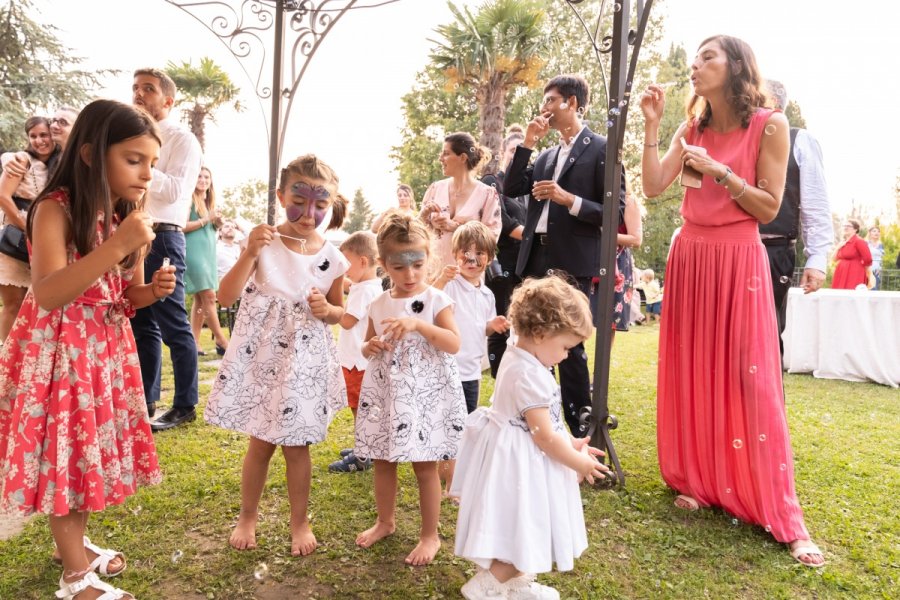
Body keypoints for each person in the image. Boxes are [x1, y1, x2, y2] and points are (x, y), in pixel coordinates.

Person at [640, 34, 825, 566]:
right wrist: (655, 127)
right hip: (691, 256)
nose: (695, 65)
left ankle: (783, 515)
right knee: (694, 370)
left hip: (738, 259)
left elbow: (768, 208)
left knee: (751, 380)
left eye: (707, 57)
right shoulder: (691, 126)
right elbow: (654, 187)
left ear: (737, 66)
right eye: (695, 58)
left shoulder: (770, 124)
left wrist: (721, 172)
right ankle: (699, 480)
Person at [0, 99, 174, 600]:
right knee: (68, 455)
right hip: (62, 351)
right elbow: (50, 292)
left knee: (86, 452)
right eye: (134, 159)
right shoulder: (54, 207)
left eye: (152, 164)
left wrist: (152, 289)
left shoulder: (124, 215)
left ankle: (70, 546)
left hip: (102, 349)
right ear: (93, 155)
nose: (146, 175)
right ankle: (74, 577)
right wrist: (117, 246)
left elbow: (125, 296)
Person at [204, 154, 349, 556]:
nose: (309, 212)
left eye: (321, 204)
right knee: (261, 443)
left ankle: (299, 522)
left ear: (331, 204)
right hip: (264, 360)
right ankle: (247, 516)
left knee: (297, 446)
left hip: (303, 365)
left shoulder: (333, 258)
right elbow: (226, 296)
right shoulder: (264, 242)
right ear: (281, 194)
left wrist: (329, 312)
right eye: (299, 200)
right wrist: (250, 251)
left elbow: (343, 313)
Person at [452, 275, 609, 600]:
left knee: (518, 523)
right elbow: (544, 438)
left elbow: (547, 424)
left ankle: (514, 582)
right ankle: (487, 587)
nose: (566, 356)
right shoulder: (528, 375)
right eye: (565, 346)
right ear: (540, 334)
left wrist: (572, 442)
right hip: (522, 465)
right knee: (525, 524)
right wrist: (577, 460)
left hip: (515, 454)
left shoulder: (520, 351)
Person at [504, 73, 625, 435]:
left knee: (568, 343)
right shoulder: (545, 156)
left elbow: (614, 211)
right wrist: (527, 142)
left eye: (552, 100)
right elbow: (510, 187)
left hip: (571, 261)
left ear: (572, 104)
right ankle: (539, 417)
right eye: (544, 101)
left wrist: (566, 199)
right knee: (532, 337)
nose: (545, 108)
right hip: (535, 258)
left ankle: (579, 426)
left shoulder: (602, 148)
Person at [353, 212, 466, 566]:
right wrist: (368, 347)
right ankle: (385, 521)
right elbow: (367, 343)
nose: (410, 274)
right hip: (388, 395)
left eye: (417, 264)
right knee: (383, 460)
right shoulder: (378, 303)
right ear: (384, 264)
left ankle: (429, 535)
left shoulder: (436, 300)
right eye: (400, 267)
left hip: (424, 397)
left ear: (427, 259)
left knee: (423, 465)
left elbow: (453, 343)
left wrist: (418, 324)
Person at [129, 67, 203, 428]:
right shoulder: (131, 135)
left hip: (164, 235)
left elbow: (176, 191)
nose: (138, 94)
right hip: (133, 234)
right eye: (135, 88)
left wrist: (136, 164)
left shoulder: (183, 139)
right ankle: (144, 401)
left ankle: (186, 404)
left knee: (173, 323)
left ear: (168, 101)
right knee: (141, 321)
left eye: (148, 89)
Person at [433, 221, 510, 498]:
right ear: (456, 255)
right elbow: (428, 300)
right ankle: (449, 484)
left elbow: (482, 327)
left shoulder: (487, 294)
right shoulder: (450, 286)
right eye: (466, 252)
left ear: (489, 258)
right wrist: (441, 279)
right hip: (447, 368)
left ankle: (456, 480)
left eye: (480, 253)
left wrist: (494, 324)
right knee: (449, 425)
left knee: (465, 426)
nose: (472, 259)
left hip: (471, 371)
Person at [761, 81, 832, 350]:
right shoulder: (737, 137)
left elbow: (816, 202)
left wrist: (816, 258)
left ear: (774, 105)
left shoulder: (800, 139)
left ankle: (768, 393)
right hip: (732, 245)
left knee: (765, 334)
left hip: (773, 250)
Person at [0, 116, 60, 340]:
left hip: (40, 244)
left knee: (32, 305)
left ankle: (21, 358)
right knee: (13, 304)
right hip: (16, 239)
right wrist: (28, 228)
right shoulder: (21, 159)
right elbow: (3, 196)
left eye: (43, 135)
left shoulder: (56, 164)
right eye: (33, 136)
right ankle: (5, 359)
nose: (38, 140)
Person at [330, 230, 383, 473]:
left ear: (362, 262)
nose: (344, 269)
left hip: (356, 362)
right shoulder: (371, 285)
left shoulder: (363, 291)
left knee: (359, 410)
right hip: (362, 360)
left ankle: (363, 455)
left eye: (346, 263)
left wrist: (331, 301)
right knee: (363, 408)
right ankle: (365, 447)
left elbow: (347, 321)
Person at [419, 132, 501, 280]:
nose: (440, 158)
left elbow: (491, 238)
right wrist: (424, 218)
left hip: (468, 277)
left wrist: (456, 227)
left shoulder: (487, 194)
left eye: (446, 153)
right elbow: (416, 234)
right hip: (434, 276)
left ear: (462, 157)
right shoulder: (434, 189)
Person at [482, 125, 527, 377]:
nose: (517, 156)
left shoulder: (525, 190)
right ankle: (499, 378)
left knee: (521, 325)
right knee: (502, 324)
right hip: (501, 265)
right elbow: (505, 223)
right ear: (502, 152)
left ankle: (517, 376)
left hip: (525, 264)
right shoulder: (492, 182)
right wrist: (538, 236)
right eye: (513, 150)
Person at [185, 166, 229, 356]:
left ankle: (194, 342)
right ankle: (221, 340)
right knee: (210, 296)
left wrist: (217, 222)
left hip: (208, 251)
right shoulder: (188, 199)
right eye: (199, 176)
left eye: (206, 177)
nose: (203, 180)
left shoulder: (210, 202)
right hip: (193, 252)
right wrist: (206, 219)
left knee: (201, 298)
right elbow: (181, 226)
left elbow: (212, 227)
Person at [610, 186, 643, 341]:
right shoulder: (591, 198)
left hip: (617, 265)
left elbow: (636, 240)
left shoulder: (628, 201)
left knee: (609, 321)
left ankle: (602, 363)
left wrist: (602, 234)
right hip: (588, 258)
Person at [831, 219, 872, 289]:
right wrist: (838, 247)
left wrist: (860, 267)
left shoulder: (859, 241)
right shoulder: (843, 242)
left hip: (854, 272)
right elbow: (834, 259)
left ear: (855, 229)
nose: (845, 227)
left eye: (849, 226)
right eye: (844, 226)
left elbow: (868, 259)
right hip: (841, 272)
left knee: (851, 294)